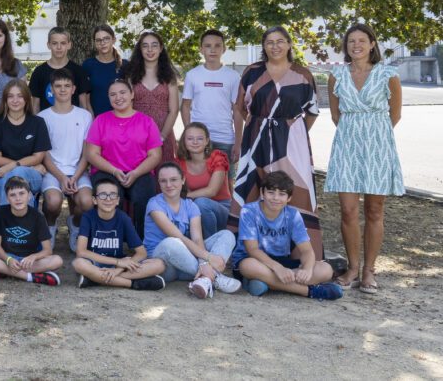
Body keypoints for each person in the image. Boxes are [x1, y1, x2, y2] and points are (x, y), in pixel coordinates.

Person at [231, 26, 323, 259]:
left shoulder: (303, 74)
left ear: (290, 44)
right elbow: (240, 107)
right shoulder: (252, 72)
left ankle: (300, 256)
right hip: (256, 138)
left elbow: (311, 111)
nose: (275, 46)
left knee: (296, 190)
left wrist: (292, 131)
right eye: (269, 42)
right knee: (252, 188)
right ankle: (247, 254)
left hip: (292, 142)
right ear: (263, 46)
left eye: (280, 41)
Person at [325, 23, 403, 293]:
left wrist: (373, 137)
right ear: (346, 47)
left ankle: (369, 271)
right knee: (347, 210)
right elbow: (336, 116)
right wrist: (355, 134)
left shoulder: (387, 74)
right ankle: (352, 268)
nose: (355, 45)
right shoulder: (336, 76)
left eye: (362, 40)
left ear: (372, 44)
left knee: (374, 210)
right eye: (350, 41)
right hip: (346, 146)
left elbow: (395, 115)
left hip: (378, 147)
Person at [231, 171, 342, 300]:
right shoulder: (249, 211)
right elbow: (252, 250)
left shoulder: (292, 214)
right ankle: (309, 291)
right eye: (271, 192)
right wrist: (277, 268)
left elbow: (306, 250)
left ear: (289, 198)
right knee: (248, 266)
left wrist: (307, 270)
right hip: (254, 259)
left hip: (281, 260)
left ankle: (265, 282)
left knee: (326, 269)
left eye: (282, 194)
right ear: (262, 193)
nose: (276, 198)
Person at [143, 163, 241, 298]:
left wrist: (204, 262)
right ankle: (215, 277)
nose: (168, 184)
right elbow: (179, 237)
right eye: (163, 181)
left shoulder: (191, 205)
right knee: (171, 242)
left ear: (183, 180)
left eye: (173, 179)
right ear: (159, 183)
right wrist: (209, 257)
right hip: (164, 265)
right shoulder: (154, 204)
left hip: (187, 265)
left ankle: (204, 279)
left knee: (227, 235)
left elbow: (197, 239)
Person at [84, 79, 163, 236]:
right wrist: (114, 171)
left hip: (140, 172)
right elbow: (91, 154)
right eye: (113, 94)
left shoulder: (146, 122)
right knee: (110, 197)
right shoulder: (101, 120)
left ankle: (141, 242)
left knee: (143, 199)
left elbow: (155, 155)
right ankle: (110, 240)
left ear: (132, 94)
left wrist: (135, 173)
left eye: (122, 92)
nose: (118, 97)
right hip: (107, 171)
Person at [72, 175, 165, 290]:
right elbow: (81, 252)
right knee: (78, 264)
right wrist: (117, 262)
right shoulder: (88, 217)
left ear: (117, 200)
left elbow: (141, 253)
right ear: (94, 200)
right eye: (102, 195)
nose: (108, 199)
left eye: (113, 195)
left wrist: (117, 269)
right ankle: (133, 284)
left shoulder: (123, 218)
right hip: (95, 263)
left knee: (159, 264)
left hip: (118, 265)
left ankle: (94, 279)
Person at [38, 68, 94, 248]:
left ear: (74, 89)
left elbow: (87, 152)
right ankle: (50, 227)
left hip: (78, 170)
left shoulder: (85, 116)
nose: (62, 89)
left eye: (67, 86)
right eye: (58, 86)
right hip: (53, 171)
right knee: (53, 202)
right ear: (51, 90)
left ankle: (75, 226)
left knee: (86, 202)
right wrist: (62, 177)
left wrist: (75, 176)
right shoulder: (42, 117)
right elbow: (44, 154)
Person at [0, 177, 62, 285]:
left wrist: (34, 256)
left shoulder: (38, 217)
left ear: (29, 195)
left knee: (57, 260)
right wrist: (8, 260)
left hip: (28, 260)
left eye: (22, 193)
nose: (18, 198)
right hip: (7, 256)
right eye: (13, 195)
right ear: (7, 198)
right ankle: (30, 277)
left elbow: (48, 250)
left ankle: (2, 271)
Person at [0, 80, 50, 205]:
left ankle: (7, 223)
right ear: (5, 99)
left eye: (20, 96)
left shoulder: (38, 123)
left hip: (32, 175)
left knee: (17, 175)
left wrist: (13, 166)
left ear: (26, 99)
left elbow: (38, 156)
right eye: (11, 96)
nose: (15, 100)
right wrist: (26, 165)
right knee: (16, 181)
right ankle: (22, 223)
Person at [179, 29, 240, 160]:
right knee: (198, 179)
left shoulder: (233, 76)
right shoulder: (192, 75)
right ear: (201, 49)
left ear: (224, 49)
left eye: (217, 45)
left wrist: (239, 140)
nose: (213, 50)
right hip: (199, 140)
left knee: (226, 180)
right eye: (208, 46)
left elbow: (237, 110)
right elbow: (185, 106)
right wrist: (189, 133)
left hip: (225, 139)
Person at [123, 32, 179, 164]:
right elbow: (126, 107)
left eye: (154, 45)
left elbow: (174, 110)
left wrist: (162, 137)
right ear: (140, 50)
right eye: (145, 46)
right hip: (136, 134)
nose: (150, 50)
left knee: (164, 177)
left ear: (160, 49)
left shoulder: (169, 77)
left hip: (163, 133)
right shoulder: (131, 76)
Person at [175, 122, 231, 238]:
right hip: (194, 209)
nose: (195, 142)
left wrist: (187, 195)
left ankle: (211, 245)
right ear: (184, 141)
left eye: (200, 139)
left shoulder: (217, 157)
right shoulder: (180, 163)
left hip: (222, 209)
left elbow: (212, 191)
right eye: (190, 138)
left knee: (201, 203)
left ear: (207, 141)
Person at [29, 27, 91, 112]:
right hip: (45, 123)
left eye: (63, 43)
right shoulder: (39, 72)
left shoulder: (79, 71)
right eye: (54, 43)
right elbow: (35, 106)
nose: (59, 47)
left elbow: (84, 105)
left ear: (69, 45)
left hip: (73, 123)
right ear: (48, 45)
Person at [81, 25, 126, 116]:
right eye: (98, 40)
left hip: (121, 120)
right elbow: (85, 98)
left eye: (106, 39)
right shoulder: (88, 65)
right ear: (94, 42)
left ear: (113, 40)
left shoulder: (125, 65)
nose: (102, 43)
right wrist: (92, 119)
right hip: (97, 120)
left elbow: (130, 96)